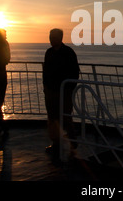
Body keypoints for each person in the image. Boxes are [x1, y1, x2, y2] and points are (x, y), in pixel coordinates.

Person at [43, 28, 80, 160]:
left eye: (53, 36)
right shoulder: (49, 53)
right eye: (50, 36)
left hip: (64, 91)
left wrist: (68, 88)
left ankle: (73, 142)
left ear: (60, 38)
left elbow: (75, 72)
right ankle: (56, 143)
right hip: (51, 91)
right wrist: (45, 88)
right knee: (52, 118)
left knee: (65, 116)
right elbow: (45, 71)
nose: (51, 39)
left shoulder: (68, 52)